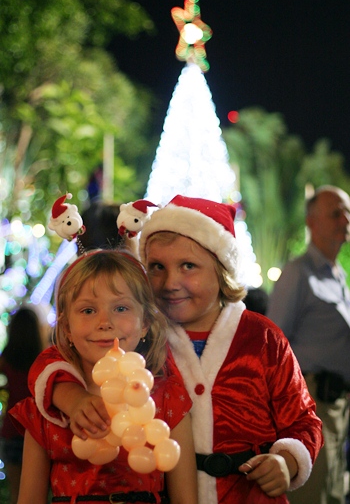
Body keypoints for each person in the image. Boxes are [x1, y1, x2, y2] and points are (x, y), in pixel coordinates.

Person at [26, 195, 323, 504]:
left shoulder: (262, 338)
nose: (170, 282)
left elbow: (304, 419)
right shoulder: (138, 334)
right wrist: (70, 396)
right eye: (156, 267)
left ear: (221, 269)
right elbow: (53, 361)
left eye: (188, 266)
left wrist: (287, 460)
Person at [10, 250, 198, 504]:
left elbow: (187, 499)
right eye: (88, 310)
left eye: (120, 308)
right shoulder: (46, 410)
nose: (105, 322)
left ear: (144, 322)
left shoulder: (168, 399)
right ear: (66, 328)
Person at [267, 185, 350, 504]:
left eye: (347, 212)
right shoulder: (297, 273)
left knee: (334, 491)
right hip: (310, 405)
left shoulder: (337, 274)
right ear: (311, 222)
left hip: (337, 406)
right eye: (335, 213)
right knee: (315, 495)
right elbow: (274, 343)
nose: (345, 220)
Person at [0, 305, 50, 504]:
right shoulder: (44, 359)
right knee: (41, 495)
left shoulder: (6, 359)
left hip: (12, 429)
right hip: (38, 430)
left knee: (16, 494)